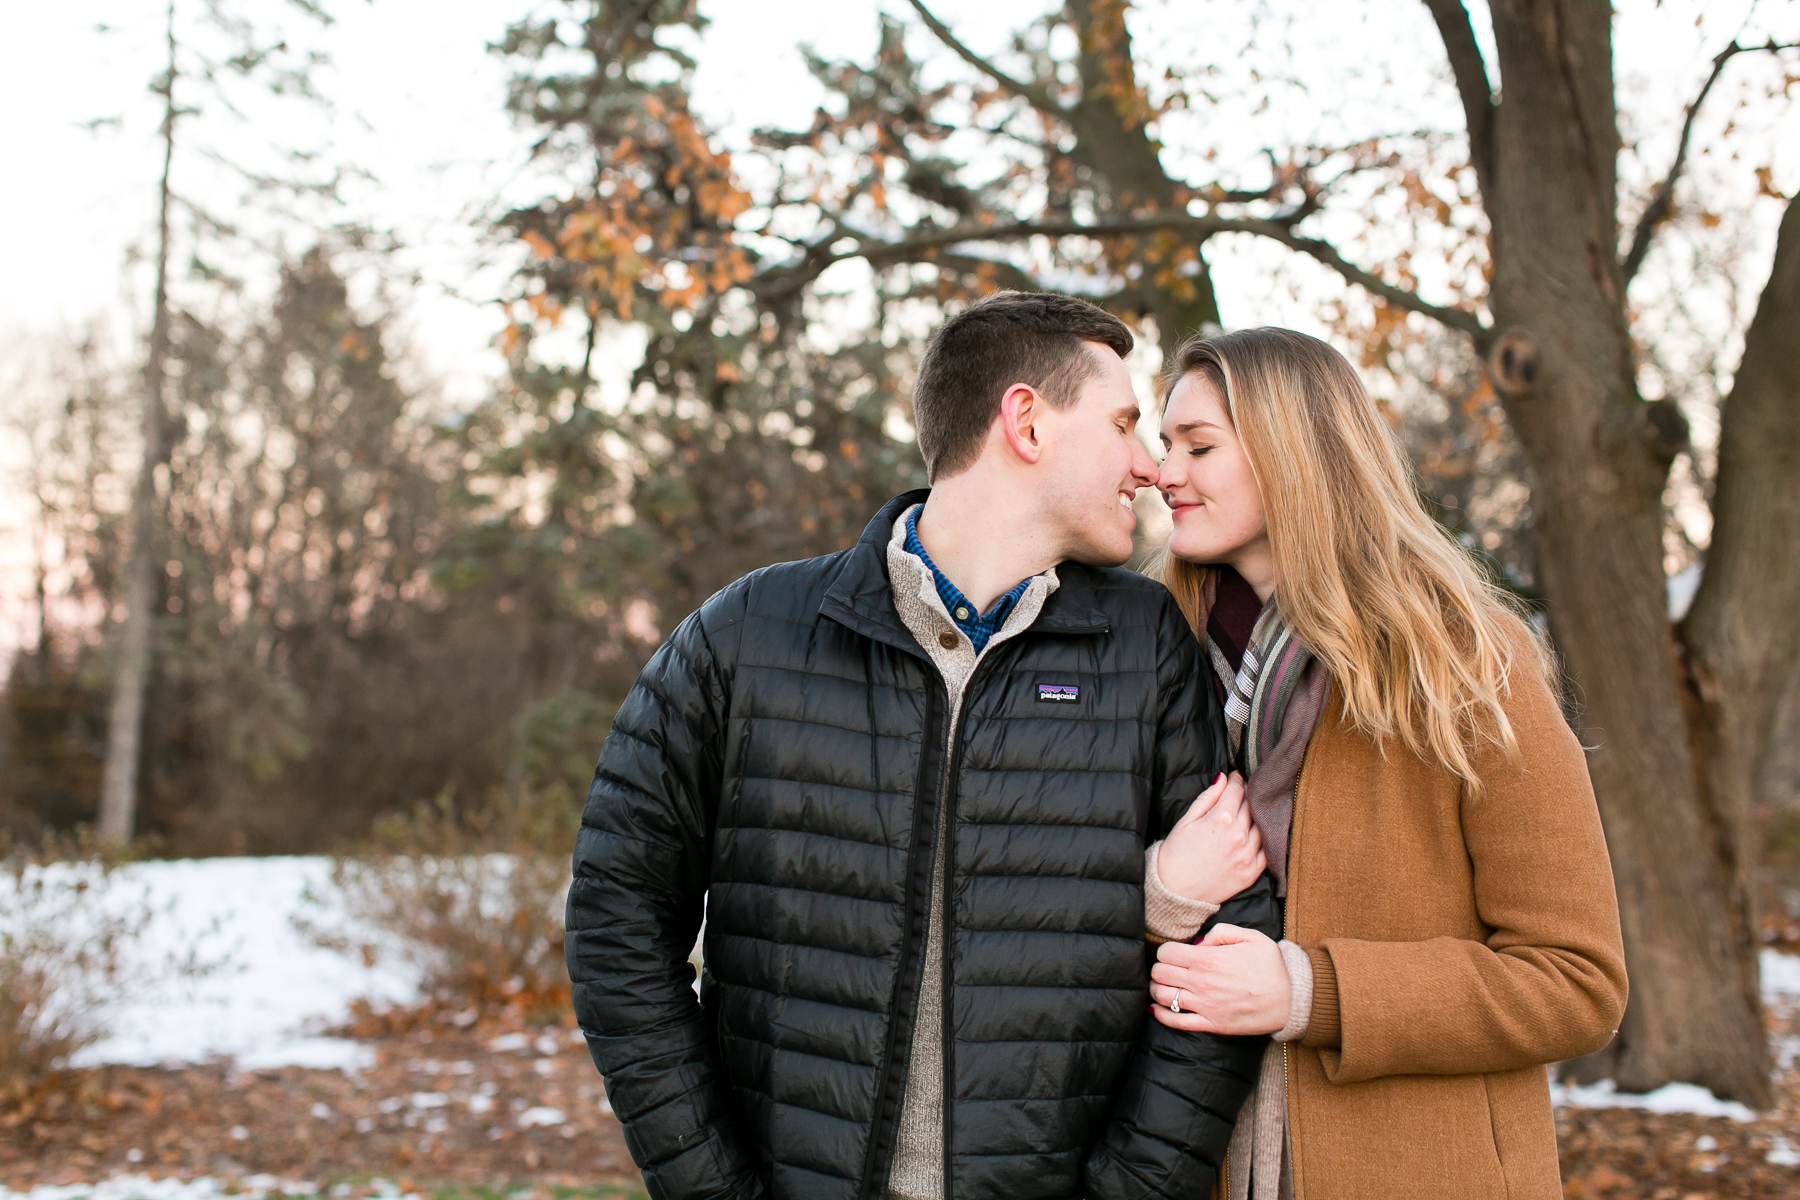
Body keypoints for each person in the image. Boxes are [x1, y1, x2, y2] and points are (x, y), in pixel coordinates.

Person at [565, 291, 1277, 1200]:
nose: (1148, 466)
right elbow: (614, 922)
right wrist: (712, 1186)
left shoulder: (1147, 648)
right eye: (1126, 424)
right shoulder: (745, 635)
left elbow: (1231, 943)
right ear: (1025, 421)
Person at [1140, 327, 1630, 1199]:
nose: (1163, 472)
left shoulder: (1467, 666)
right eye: (1163, 446)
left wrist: (1308, 991)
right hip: (1192, 1161)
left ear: (1295, 454)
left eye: (1198, 447)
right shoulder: (1148, 659)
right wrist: (1158, 898)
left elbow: (1575, 981)